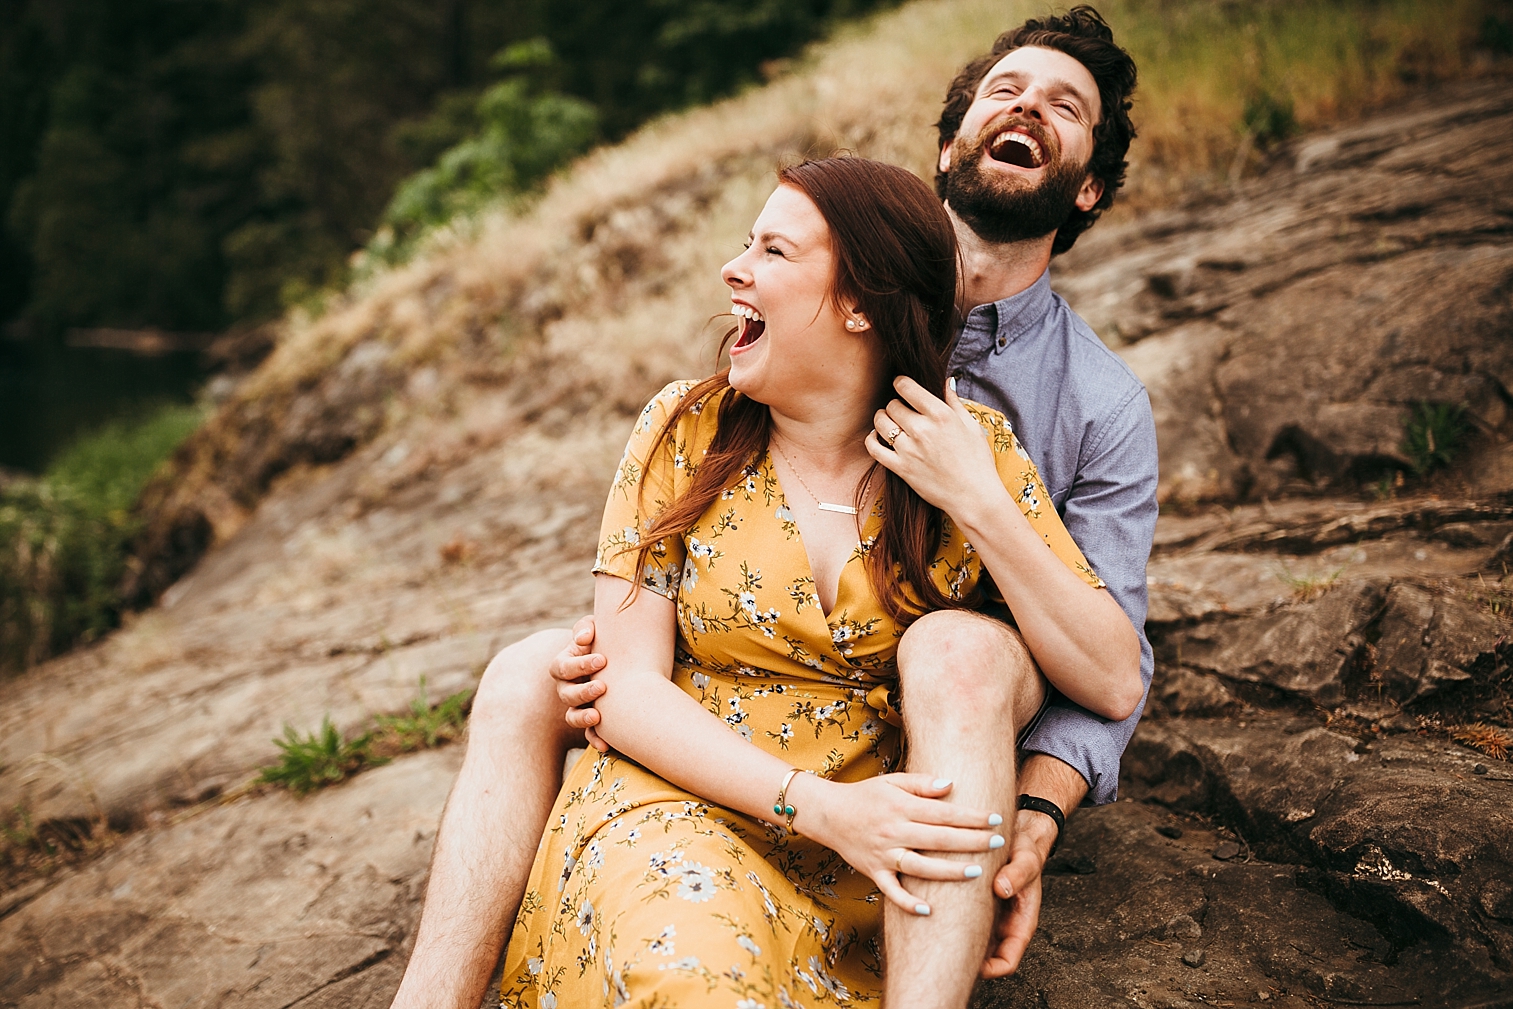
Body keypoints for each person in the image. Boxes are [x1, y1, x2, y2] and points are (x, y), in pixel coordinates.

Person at [390, 6, 1155, 1007]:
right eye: (1004, 89)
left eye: (1065, 106)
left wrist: (1036, 809)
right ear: (947, 144)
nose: (1025, 108)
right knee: (535, 670)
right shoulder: (706, 408)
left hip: (922, 739)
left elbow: (1111, 668)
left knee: (955, 652)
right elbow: (626, 670)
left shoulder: (1079, 410)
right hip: (726, 775)